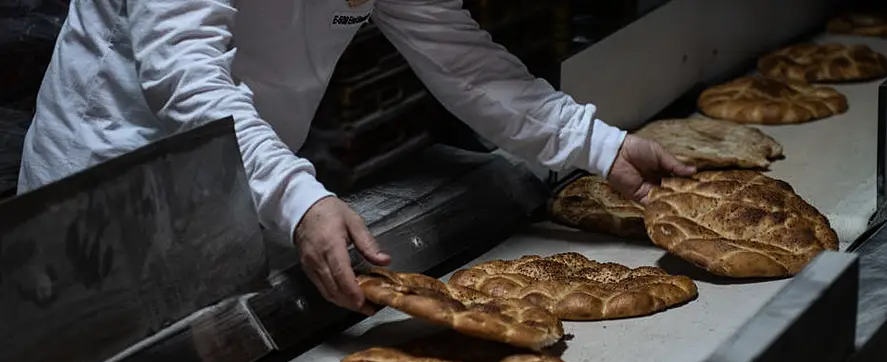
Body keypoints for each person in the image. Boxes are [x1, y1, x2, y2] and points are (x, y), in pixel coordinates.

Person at [18, 0, 695, 314]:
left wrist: (601, 146)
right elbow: (184, 75)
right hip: (100, 195)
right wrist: (298, 198)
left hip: (237, 183)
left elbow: (463, 63)